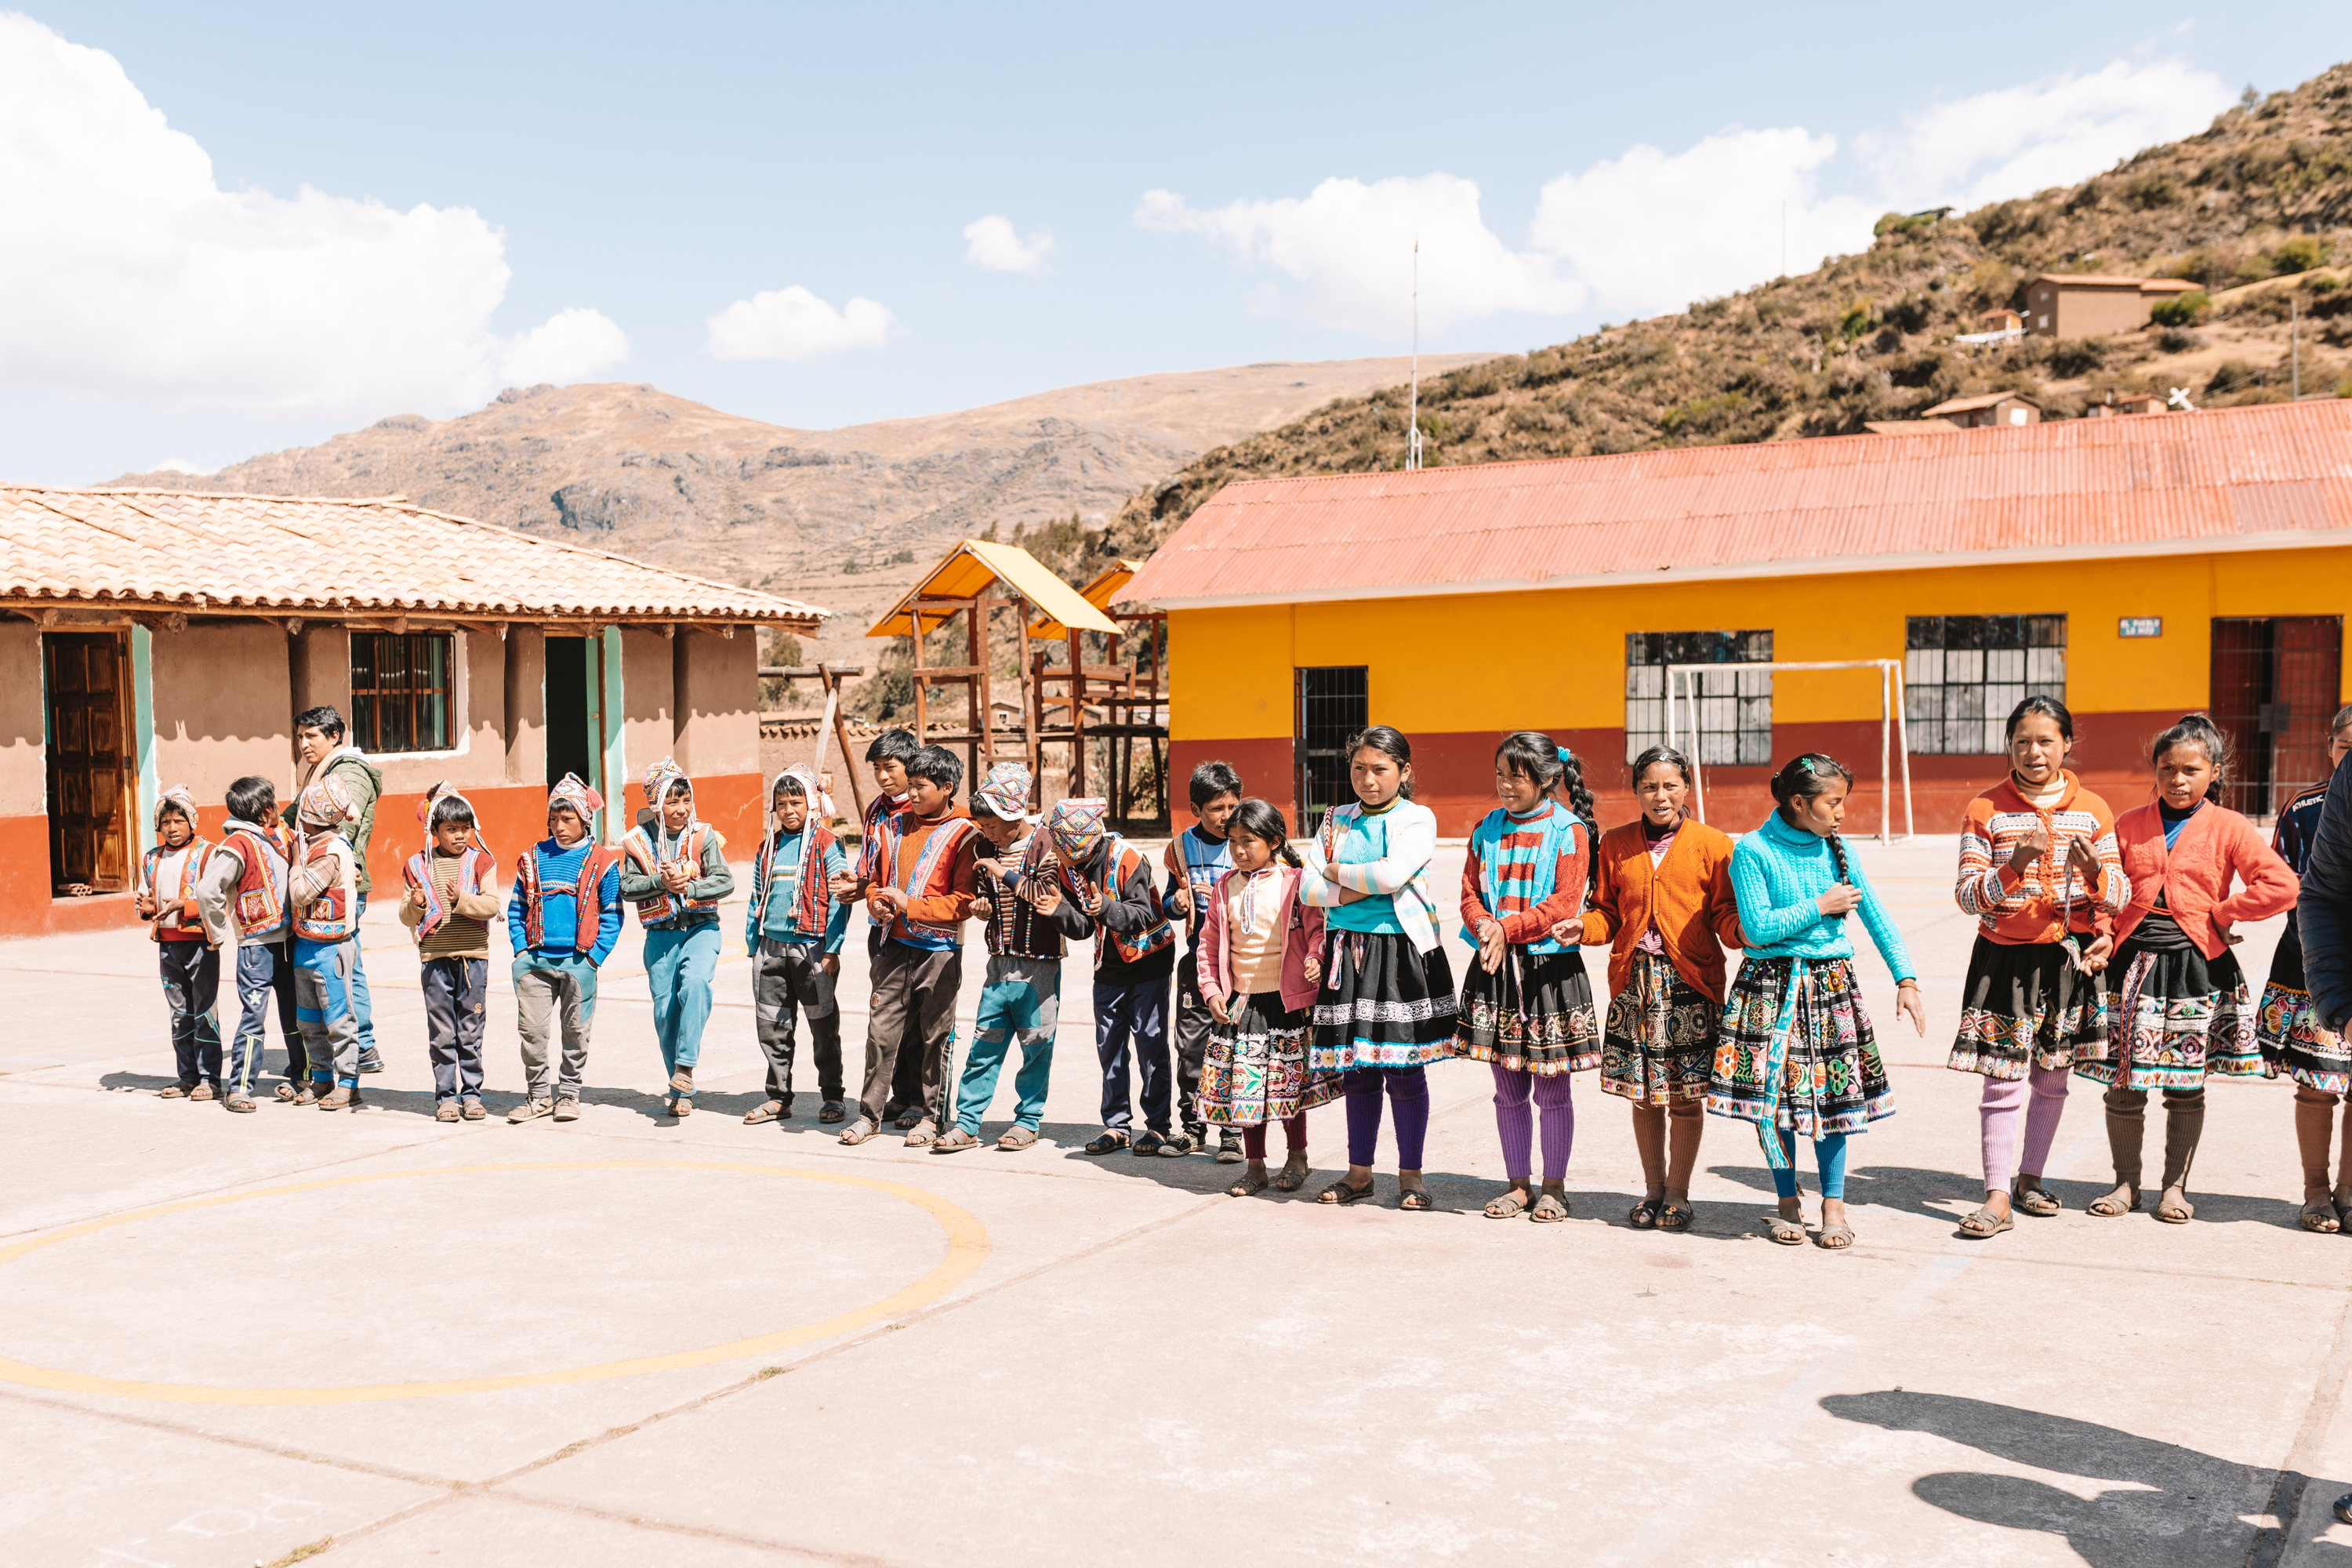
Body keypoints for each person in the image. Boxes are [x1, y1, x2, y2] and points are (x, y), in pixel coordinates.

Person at [2077, 715, 2296, 1225]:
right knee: (2125, 1081)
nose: (2178, 779)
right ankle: (2125, 1183)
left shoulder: (2230, 826)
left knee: (2185, 1081)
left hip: (2198, 970)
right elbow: (2105, 887)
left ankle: (2174, 1188)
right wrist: (2105, 931)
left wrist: (2223, 913)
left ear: (2213, 771)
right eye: (2167, 769)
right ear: (2155, 771)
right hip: (2131, 969)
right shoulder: (2129, 824)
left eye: (2191, 769)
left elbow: (2282, 885)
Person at [1708, 753, 1926, 1250]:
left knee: (1833, 1099)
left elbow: (1876, 916)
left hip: (1830, 988)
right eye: (1834, 802)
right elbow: (1758, 928)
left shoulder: (1839, 847)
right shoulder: (1753, 851)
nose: (1842, 812)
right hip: (1769, 988)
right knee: (1775, 1102)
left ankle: (1833, 1204)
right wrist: (1820, 906)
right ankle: (1786, 1200)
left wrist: (1906, 978)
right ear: (1799, 802)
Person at [1948, 697, 2129, 1240]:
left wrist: (2095, 871)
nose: (2034, 752)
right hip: (2004, 959)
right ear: (2009, 745)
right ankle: (1997, 1196)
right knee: (2002, 1080)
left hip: (2067, 961)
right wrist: (2015, 866)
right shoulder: (1986, 809)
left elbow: (2119, 893)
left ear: (2067, 744)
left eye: (2046, 740)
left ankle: (2031, 1178)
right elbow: (1966, 895)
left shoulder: (2094, 809)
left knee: (2052, 1078)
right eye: (2023, 741)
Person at [1578, 746, 1744, 1233]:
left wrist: (1750, 934)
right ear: (1635, 792)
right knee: (1644, 1095)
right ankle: (1651, 1190)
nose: (1660, 795)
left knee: (1685, 1096)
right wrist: (1580, 928)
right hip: (1634, 985)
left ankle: (1678, 1193)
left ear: (1687, 787)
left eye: (1670, 785)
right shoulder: (1615, 843)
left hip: (1690, 985)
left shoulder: (1715, 845)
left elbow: (1725, 915)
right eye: (1649, 786)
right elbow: (1606, 913)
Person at [1299, 725, 1455, 1210]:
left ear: (1404, 772)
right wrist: (1352, 886)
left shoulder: (1418, 818)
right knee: (1359, 1070)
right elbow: (1306, 887)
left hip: (1400, 955)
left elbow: (1393, 873)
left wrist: (1334, 875)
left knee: (1403, 1070)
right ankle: (1359, 1173)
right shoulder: (1336, 818)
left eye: (1380, 770)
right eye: (1359, 769)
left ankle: (1411, 1177)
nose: (1368, 780)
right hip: (1346, 955)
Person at [1450, 733, 1599, 1225]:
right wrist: (1485, 927)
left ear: (1546, 778)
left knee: (1551, 1089)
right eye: (1500, 775)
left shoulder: (1569, 831)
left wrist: (1504, 929)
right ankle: (1518, 1184)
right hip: (1495, 969)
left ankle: (1554, 1186)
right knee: (1507, 1087)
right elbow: (1469, 893)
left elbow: (1563, 902)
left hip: (1548, 973)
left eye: (1517, 776)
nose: (1506, 786)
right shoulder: (1485, 829)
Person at [936, 761, 1094, 1153]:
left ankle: (1027, 1121)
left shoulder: (1045, 845)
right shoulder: (984, 846)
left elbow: (1045, 897)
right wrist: (983, 907)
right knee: (984, 1045)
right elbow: (989, 896)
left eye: (991, 824)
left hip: (1039, 964)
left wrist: (1002, 873)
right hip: (999, 963)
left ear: (1014, 815)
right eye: (983, 825)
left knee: (1036, 1044)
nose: (986, 832)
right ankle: (968, 1123)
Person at [843, 745, 980, 1147]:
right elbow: (873, 880)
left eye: (921, 787)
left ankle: (931, 1117)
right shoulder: (893, 824)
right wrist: (877, 901)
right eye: (912, 786)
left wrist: (912, 905)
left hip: (939, 954)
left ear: (947, 787)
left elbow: (963, 901)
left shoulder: (966, 832)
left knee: (936, 1037)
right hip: (893, 947)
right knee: (880, 1034)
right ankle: (870, 1115)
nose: (912, 794)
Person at [1197, 798, 1335, 1196]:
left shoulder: (1296, 882)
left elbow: (1317, 929)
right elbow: (1208, 945)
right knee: (1246, 1088)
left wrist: (1315, 958)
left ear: (1274, 840)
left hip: (1285, 1002)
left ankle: (1297, 1158)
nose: (1239, 850)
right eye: (1233, 841)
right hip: (1241, 1002)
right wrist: (1211, 990)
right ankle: (1254, 1166)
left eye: (1249, 841)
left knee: (1287, 1085)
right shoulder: (1225, 887)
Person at [2261, 705, 2352, 1232]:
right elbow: (2287, 882)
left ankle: (2349, 1189)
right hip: (2314, 962)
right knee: (2318, 1083)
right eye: (2345, 746)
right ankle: (2315, 1190)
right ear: (2329, 747)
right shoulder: (2304, 808)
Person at [1051, 797, 1181, 1156]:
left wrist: (1106, 907)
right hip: (1108, 967)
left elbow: (1145, 912)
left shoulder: (1126, 858)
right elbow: (1080, 928)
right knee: (1109, 1046)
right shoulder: (1067, 868)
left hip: (1149, 960)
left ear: (1073, 843)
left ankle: (1157, 1127)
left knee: (1150, 1044)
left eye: (1057, 843)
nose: (1052, 850)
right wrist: (1058, 910)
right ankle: (1117, 1125)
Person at [506, 773, 624, 1123]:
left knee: (576, 1032)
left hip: (579, 964)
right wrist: (520, 951)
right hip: (535, 963)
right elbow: (516, 909)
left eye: (568, 819)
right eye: (553, 819)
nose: (559, 826)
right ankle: (539, 1096)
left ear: (585, 819)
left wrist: (594, 958)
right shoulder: (532, 858)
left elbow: (613, 915)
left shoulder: (603, 862)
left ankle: (569, 1094)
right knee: (533, 1033)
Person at [622, 759, 735, 1117]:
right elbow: (627, 886)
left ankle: (685, 1066)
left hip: (701, 928)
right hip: (660, 937)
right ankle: (680, 1089)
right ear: (657, 804)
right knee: (665, 1012)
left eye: (685, 800)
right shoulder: (637, 842)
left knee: (696, 985)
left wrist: (692, 886)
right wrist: (660, 882)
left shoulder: (704, 836)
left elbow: (726, 880)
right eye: (672, 802)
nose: (681, 810)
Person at [743, 764, 851, 1126]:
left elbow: (839, 897)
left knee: (823, 1026)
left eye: (796, 801)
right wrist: (752, 943)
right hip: (770, 949)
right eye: (781, 803)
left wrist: (833, 948)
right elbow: (757, 894)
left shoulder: (827, 842)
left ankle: (833, 1096)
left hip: (812, 950)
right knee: (772, 1026)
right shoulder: (768, 846)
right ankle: (778, 1097)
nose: (788, 810)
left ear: (811, 803)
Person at [832, 728, 929, 1130]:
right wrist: (860, 886)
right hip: (883, 926)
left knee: (924, 1021)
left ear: (910, 767)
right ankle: (902, 1095)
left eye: (890, 768)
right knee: (891, 1017)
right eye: (877, 769)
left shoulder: (924, 808)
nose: (883, 777)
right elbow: (872, 863)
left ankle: (923, 1102)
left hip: (924, 930)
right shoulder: (876, 809)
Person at [193, 775, 299, 1113]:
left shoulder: (284, 836)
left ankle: (302, 1076)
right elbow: (208, 890)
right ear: (266, 810)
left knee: (296, 1014)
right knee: (255, 1015)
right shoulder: (237, 845)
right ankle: (239, 1087)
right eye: (275, 804)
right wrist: (218, 930)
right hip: (256, 946)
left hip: (290, 941)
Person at [400, 784, 500, 1123]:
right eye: (451, 829)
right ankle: (446, 1097)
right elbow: (404, 916)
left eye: (465, 828)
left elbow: (491, 905)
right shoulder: (416, 866)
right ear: (434, 831)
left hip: (473, 959)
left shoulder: (481, 862)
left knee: (470, 1029)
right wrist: (415, 906)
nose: (460, 836)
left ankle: (472, 1095)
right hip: (434, 962)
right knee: (442, 1032)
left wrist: (461, 900)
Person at [293, 707, 385, 1074]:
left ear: (334, 736)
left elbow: (345, 823)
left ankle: (361, 1047)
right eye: (300, 736)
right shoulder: (322, 770)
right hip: (323, 879)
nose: (303, 744)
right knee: (348, 966)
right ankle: (359, 1047)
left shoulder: (349, 771)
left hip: (335, 883)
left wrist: (321, 861)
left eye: (311, 735)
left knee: (345, 968)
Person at [1163, 761, 1243, 1159]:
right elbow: (1166, 903)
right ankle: (1193, 1128)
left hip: (1244, 968)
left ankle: (1233, 1134)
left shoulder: (1250, 842)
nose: (1227, 817)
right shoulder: (1181, 849)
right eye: (1217, 808)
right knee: (1192, 1047)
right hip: (1199, 964)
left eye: (1232, 806)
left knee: (1236, 1048)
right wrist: (1176, 903)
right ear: (1196, 809)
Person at [288, 776, 367, 1110]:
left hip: (330, 949)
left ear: (311, 816)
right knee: (309, 1021)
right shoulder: (315, 845)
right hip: (307, 945)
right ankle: (321, 1079)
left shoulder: (330, 852)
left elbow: (300, 893)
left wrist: (294, 861)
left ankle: (348, 1083)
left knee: (338, 1019)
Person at [138, 785, 220, 1102]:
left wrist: (186, 907)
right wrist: (147, 910)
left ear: (192, 822)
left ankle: (210, 1079)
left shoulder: (208, 854)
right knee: (179, 1013)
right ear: (158, 825)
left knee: (205, 1011)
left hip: (201, 945)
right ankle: (187, 1076)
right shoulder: (151, 859)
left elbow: (218, 901)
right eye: (166, 822)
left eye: (179, 821)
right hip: (168, 946)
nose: (172, 829)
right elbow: (148, 901)